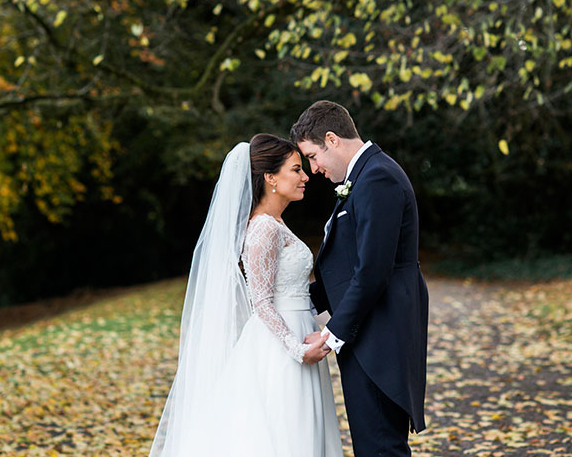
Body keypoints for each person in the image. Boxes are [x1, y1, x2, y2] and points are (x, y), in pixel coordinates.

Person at [147, 134, 343, 457]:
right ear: (270, 178)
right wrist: (296, 349)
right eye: (296, 169)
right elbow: (262, 302)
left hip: (296, 336)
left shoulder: (277, 223)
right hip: (281, 349)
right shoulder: (264, 228)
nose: (306, 176)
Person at [291, 101, 428, 457]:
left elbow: (372, 271)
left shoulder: (377, 177)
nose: (314, 169)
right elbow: (349, 267)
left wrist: (332, 333)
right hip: (369, 335)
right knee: (373, 446)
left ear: (332, 139)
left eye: (312, 156)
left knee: (381, 448)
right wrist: (297, 300)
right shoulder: (364, 176)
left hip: (380, 339)